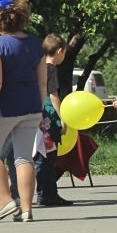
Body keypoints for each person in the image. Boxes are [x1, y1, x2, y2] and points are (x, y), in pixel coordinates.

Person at [0, 0, 47, 223]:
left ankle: (5, 199)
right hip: (31, 106)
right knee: (24, 158)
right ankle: (27, 209)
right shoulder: (35, 43)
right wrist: (40, 109)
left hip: (4, 107)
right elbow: (42, 81)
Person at [35, 34, 72, 207]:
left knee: (41, 154)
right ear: (59, 51)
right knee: (48, 157)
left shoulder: (38, 67)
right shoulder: (51, 69)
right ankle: (48, 193)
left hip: (38, 115)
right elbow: (54, 95)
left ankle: (44, 192)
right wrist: (62, 118)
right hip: (49, 116)